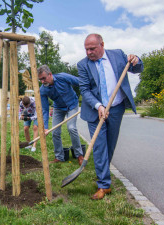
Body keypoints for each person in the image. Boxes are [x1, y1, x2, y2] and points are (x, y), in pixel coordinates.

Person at [77, 33, 144, 200]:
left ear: (102, 45)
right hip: (95, 110)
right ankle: (104, 185)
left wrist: (136, 60)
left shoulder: (118, 55)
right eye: (86, 49)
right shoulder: (83, 65)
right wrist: (99, 105)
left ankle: (103, 172)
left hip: (116, 108)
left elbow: (137, 69)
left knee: (110, 144)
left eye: (92, 48)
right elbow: (84, 90)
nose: (89, 52)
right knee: (99, 146)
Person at [37, 65, 84, 165]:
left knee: (71, 128)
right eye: (40, 79)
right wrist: (45, 127)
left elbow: (80, 82)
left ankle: (79, 155)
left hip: (72, 105)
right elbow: (45, 110)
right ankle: (59, 157)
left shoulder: (63, 77)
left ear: (50, 74)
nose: (42, 81)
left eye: (44, 78)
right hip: (58, 108)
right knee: (55, 132)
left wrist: (88, 97)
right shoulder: (43, 90)